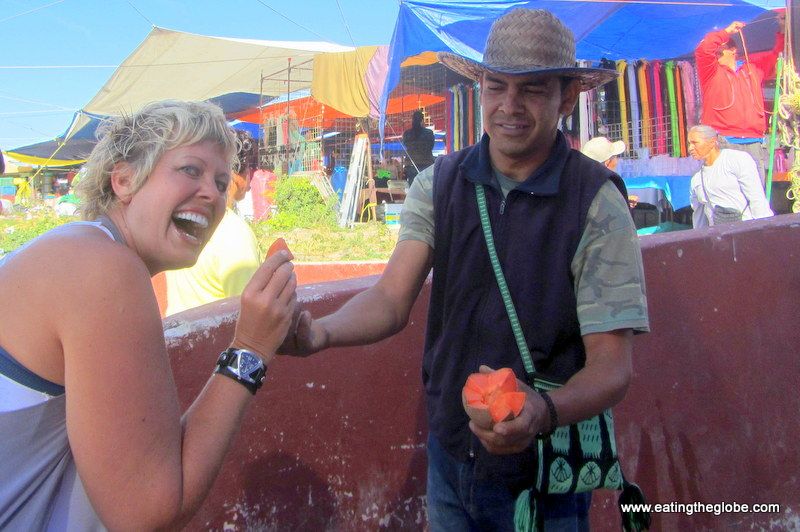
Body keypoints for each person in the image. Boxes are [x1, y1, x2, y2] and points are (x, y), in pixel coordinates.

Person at [282, 9, 649, 530]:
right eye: (496, 87)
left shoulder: (595, 202)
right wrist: (319, 333)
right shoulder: (439, 183)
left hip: (543, 477)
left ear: (567, 98)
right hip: (450, 459)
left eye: (533, 90)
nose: (510, 107)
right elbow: (390, 299)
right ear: (480, 88)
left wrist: (540, 412)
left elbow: (612, 368)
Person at [0, 101, 298, 530]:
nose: (213, 194)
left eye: (220, 181)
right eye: (190, 170)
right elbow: (148, 511)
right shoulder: (101, 268)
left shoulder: (77, 250)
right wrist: (250, 349)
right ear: (123, 181)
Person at [165, 130, 261, 316]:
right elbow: (251, 312)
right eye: (250, 169)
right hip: (218, 341)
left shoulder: (185, 220)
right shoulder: (234, 233)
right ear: (234, 173)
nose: (250, 180)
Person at [694, 11, 785, 186]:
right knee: (726, 193)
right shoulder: (711, 72)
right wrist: (726, 32)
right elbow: (704, 49)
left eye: (721, 50)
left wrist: (781, 28)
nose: (716, 53)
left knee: (754, 193)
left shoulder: (753, 69)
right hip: (723, 140)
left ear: (733, 51)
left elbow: (778, 56)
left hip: (754, 141)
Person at [688, 124, 774, 228]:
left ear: (712, 142)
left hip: (746, 230)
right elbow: (699, 217)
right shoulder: (696, 179)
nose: (690, 148)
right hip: (719, 236)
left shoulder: (736, 160)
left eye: (694, 143)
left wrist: (765, 228)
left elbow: (756, 198)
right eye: (689, 144)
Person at [402, 110, 435, 184]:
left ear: (412, 120)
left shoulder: (407, 134)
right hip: (426, 165)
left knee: (413, 188)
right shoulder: (429, 133)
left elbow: (406, 145)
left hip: (411, 165)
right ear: (422, 120)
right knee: (426, 189)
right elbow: (431, 147)